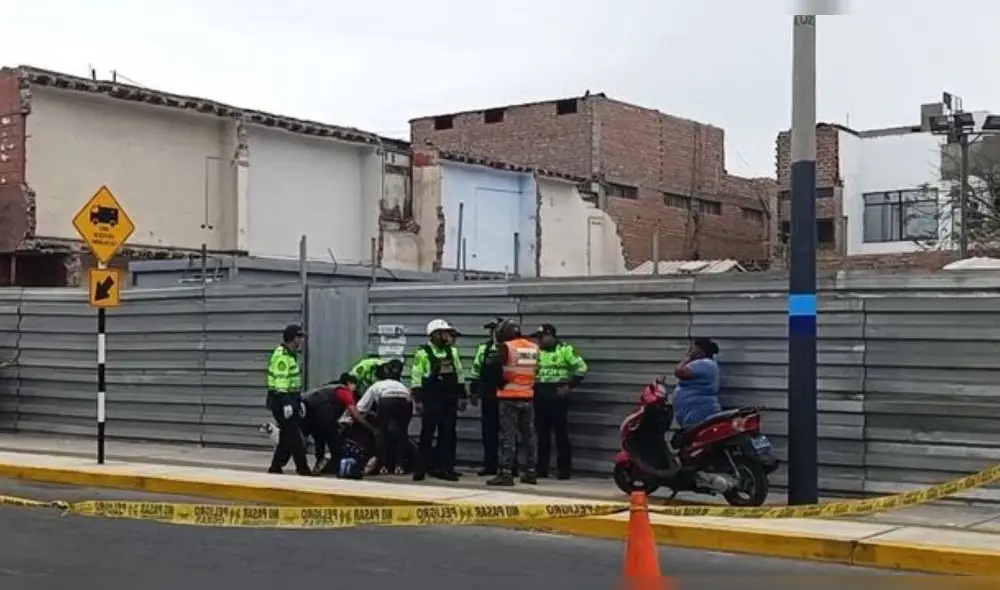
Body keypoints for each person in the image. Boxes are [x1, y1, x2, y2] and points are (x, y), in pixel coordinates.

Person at [482, 319, 540, 487]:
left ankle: (505, 473)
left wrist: (500, 382)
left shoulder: (507, 347)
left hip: (509, 396)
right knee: (529, 436)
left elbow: (490, 367)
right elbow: (537, 370)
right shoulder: (533, 347)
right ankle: (531, 472)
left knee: (507, 436)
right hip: (528, 396)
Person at [410, 318, 467, 482]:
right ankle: (421, 468)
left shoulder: (452, 352)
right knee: (427, 434)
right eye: (444, 333)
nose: (446, 336)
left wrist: (462, 395)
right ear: (434, 334)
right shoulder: (423, 353)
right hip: (431, 398)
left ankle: (446, 468)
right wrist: (418, 399)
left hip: (448, 398)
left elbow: (459, 373)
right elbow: (416, 375)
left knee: (448, 433)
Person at [533, 323, 588, 480]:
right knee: (542, 434)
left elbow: (581, 368)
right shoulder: (536, 351)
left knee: (560, 433)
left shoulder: (565, 349)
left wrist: (569, 387)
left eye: (541, 337)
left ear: (550, 336)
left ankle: (564, 470)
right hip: (540, 392)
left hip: (557, 394)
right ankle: (541, 469)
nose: (539, 341)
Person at [343, 362, 413, 475]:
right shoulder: (400, 384)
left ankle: (383, 466)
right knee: (402, 433)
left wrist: (349, 418)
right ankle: (399, 466)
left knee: (380, 432)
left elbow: (360, 408)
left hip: (386, 399)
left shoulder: (376, 385)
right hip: (405, 399)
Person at [301, 373, 373, 474]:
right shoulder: (344, 391)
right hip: (322, 416)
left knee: (318, 439)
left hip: (308, 414)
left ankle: (319, 465)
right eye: (355, 384)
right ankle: (334, 467)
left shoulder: (328, 388)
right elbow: (354, 413)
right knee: (335, 443)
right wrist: (369, 427)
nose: (355, 388)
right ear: (349, 383)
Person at [266, 324, 311, 476]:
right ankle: (303, 469)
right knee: (295, 437)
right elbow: (281, 381)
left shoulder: (291, 355)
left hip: (291, 399)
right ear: (293, 339)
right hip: (281, 400)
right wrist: (286, 403)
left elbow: (292, 382)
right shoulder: (282, 357)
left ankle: (275, 467)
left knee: (287, 436)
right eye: (300, 337)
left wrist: (298, 401)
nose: (302, 341)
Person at [469, 318, 503, 476]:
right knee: (488, 432)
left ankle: (509, 466)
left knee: (508, 433)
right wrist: (474, 391)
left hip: (507, 394)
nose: (492, 333)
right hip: (489, 394)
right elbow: (476, 370)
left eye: (495, 329)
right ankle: (490, 465)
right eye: (491, 330)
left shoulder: (510, 347)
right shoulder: (484, 348)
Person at [672, 338, 722, 429]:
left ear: (701, 351)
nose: (691, 351)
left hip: (699, 412)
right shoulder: (702, 364)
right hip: (694, 411)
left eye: (694, 348)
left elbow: (679, 372)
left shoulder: (705, 364)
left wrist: (687, 358)